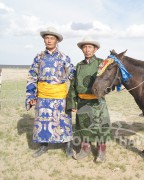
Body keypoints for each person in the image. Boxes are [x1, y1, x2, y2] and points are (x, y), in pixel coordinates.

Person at [25, 27, 75, 158]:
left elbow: (73, 77)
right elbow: (32, 76)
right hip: (43, 95)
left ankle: (68, 146)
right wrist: (31, 95)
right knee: (43, 121)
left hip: (60, 95)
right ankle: (43, 146)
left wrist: (75, 97)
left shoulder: (64, 57)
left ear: (57, 40)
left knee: (64, 121)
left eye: (52, 38)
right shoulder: (39, 57)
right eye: (47, 38)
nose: (49, 40)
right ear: (44, 40)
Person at [67, 37, 111, 162]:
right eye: (84, 47)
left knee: (100, 126)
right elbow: (74, 84)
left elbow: (107, 81)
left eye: (90, 47)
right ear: (82, 49)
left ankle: (101, 151)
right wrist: (72, 102)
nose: (87, 50)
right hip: (82, 102)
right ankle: (84, 149)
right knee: (84, 126)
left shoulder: (102, 63)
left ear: (95, 49)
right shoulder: (79, 66)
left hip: (97, 102)